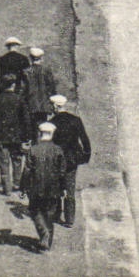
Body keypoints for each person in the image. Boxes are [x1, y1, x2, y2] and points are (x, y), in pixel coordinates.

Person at [46, 95, 92, 227]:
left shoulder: (52, 123)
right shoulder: (76, 120)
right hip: (72, 160)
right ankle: (69, 219)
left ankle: (56, 214)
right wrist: (85, 156)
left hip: (57, 160)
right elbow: (85, 140)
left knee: (56, 188)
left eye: (51, 105)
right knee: (70, 188)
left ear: (55, 106)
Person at [21, 122, 68, 251]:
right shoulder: (58, 149)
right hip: (54, 188)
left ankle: (44, 234)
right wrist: (64, 188)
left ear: (40, 133)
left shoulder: (33, 149)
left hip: (36, 187)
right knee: (50, 214)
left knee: (35, 211)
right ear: (52, 134)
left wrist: (23, 188)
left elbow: (27, 170)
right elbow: (62, 171)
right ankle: (47, 241)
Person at [0, 73, 29, 195]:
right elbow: (26, 119)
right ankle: (17, 183)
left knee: (4, 162)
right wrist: (26, 136)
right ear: (13, 85)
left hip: (2, 136)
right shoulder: (19, 99)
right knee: (17, 160)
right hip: (17, 135)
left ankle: (7, 188)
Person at [24, 46, 57, 132]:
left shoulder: (27, 71)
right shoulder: (46, 70)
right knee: (43, 127)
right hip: (44, 104)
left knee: (33, 128)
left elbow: (24, 89)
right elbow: (52, 88)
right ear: (41, 58)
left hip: (31, 104)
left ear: (30, 58)